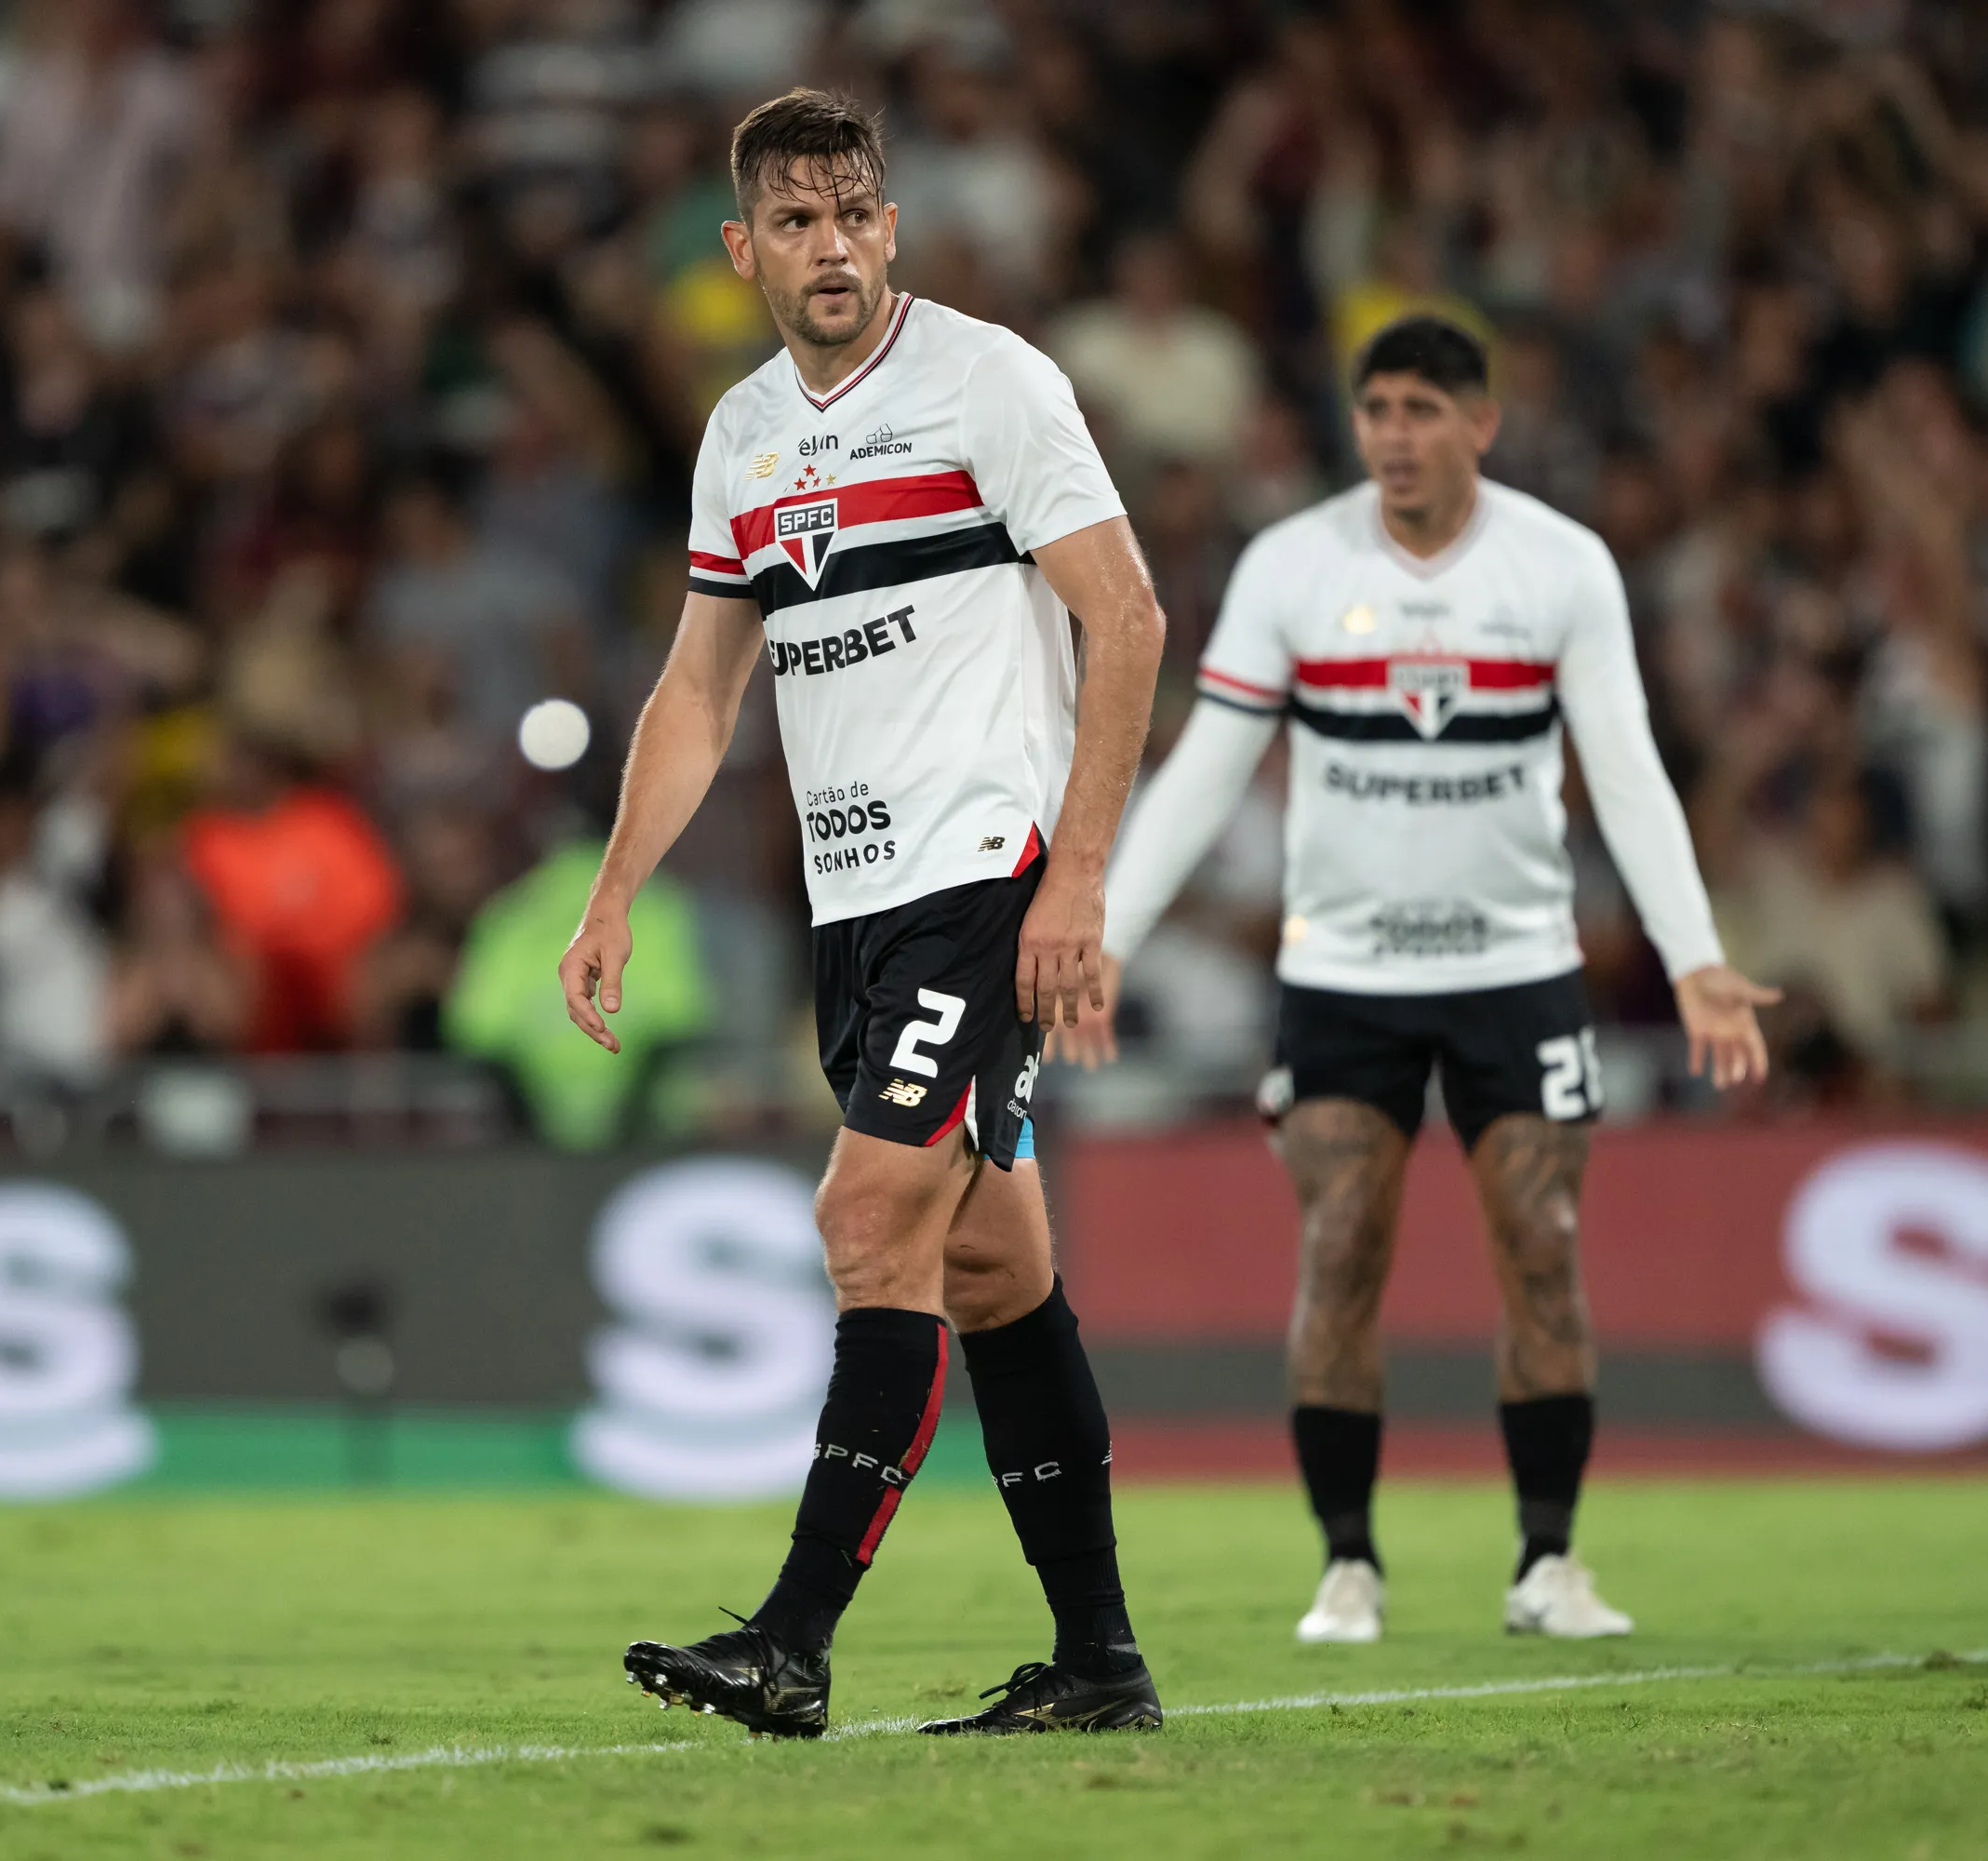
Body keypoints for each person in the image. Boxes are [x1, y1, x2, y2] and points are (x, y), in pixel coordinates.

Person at [562, 90, 1167, 1738]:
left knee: (864, 1222)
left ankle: (794, 1640)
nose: (830, 248)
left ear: (891, 230)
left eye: (855, 216)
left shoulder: (991, 382)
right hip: (861, 906)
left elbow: (1126, 617)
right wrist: (614, 893)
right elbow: (700, 689)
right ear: (742, 250)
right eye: (797, 223)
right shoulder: (745, 436)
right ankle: (1101, 1662)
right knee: (990, 1277)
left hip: (987, 877)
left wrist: (1081, 876)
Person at [1065, 316, 1780, 1645]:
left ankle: (1548, 1562)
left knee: (1544, 1249)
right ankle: (1349, 1565)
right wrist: (1108, 931)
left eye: (1420, 410)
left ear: (1481, 424)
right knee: (1339, 1250)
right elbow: (1208, 762)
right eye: (1376, 408)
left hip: (1519, 967)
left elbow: (1627, 770)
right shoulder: (1295, 566)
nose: (1393, 434)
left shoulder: (1561, 568)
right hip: (1345, 974)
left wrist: (1696, 960)